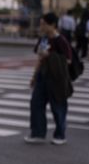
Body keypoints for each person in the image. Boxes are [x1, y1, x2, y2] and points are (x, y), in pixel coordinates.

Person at [24, 12, 72, 145]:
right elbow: (39, 58)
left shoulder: (61, 40)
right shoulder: (43, 39)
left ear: (53, 25)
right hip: (42, 76)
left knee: (58, 107)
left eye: (44, 24)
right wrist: (34, 76)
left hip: (57, 79)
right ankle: (38, 133)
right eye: (41, 24)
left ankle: (60, 135)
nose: (41, 27)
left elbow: (68, 60)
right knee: (36, 103)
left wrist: (50, 56)